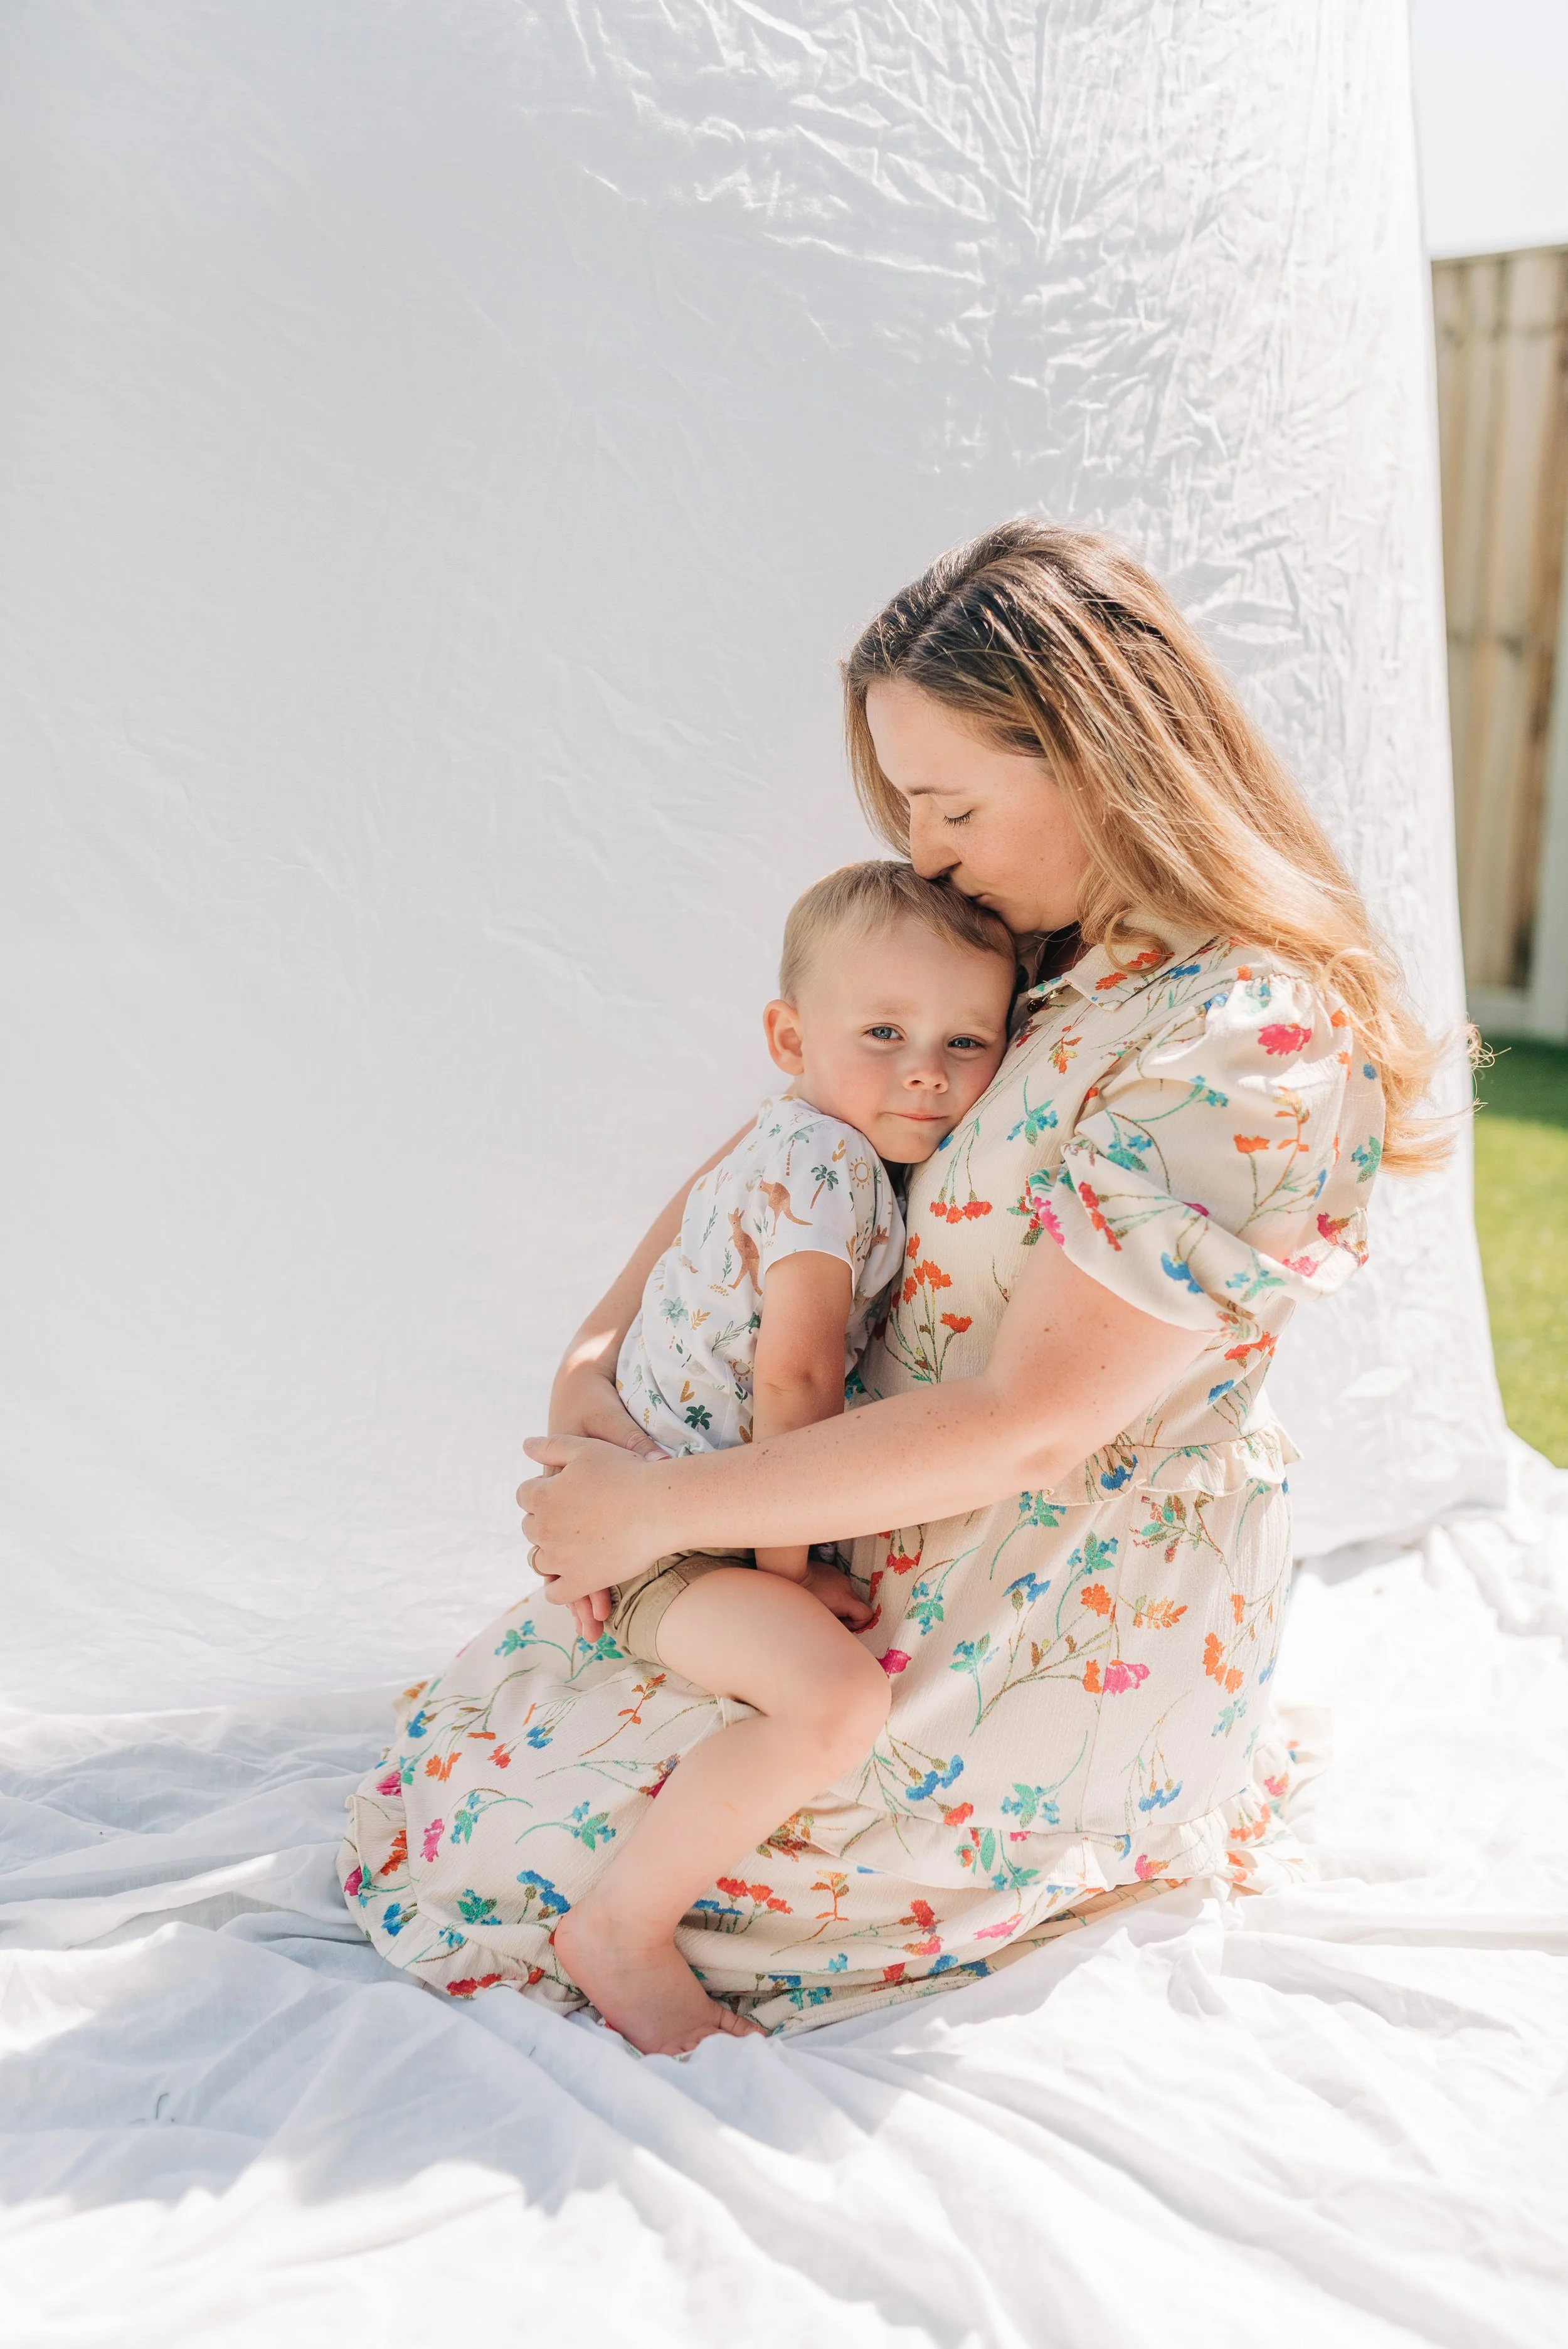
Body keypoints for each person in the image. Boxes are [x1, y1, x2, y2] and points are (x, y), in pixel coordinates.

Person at [341, 521, 1451, 2046]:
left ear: (1092, 754)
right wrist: (589, 1371)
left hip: (1042, 1600)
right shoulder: (1042, 956)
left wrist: (660, 1513)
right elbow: (786, 1139)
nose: (924, 852)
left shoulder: (1242, 1036)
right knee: (488, 1785)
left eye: (948, 805)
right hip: (843, 1528)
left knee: (540, 1860)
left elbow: (1034, 1424)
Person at [552, 861, 1015, 2052]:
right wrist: (785, 1568)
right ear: (788, 1034)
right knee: (833, 1701)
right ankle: (621, 1931)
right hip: (679, 1536)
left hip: (672, 1505)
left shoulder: (786, 1132)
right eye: (884, 1031)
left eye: (969, 1040)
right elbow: (794, 1379)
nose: (928, 1067)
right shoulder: (831, 1167)